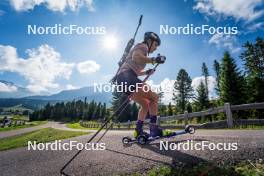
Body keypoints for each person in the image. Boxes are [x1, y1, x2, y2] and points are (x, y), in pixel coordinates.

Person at [116, 32, 171, 138]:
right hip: (127, 77)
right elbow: (136, 57)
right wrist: (154, 59)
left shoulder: (142, 50)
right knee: (154, 98)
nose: (155, 48)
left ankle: (138, 131)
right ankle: (154, 129)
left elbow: (134, 69)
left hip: (123, 79)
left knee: (145, 104)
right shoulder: (143, 46)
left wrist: (146, 72)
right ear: (149, 41)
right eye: (155, 45)